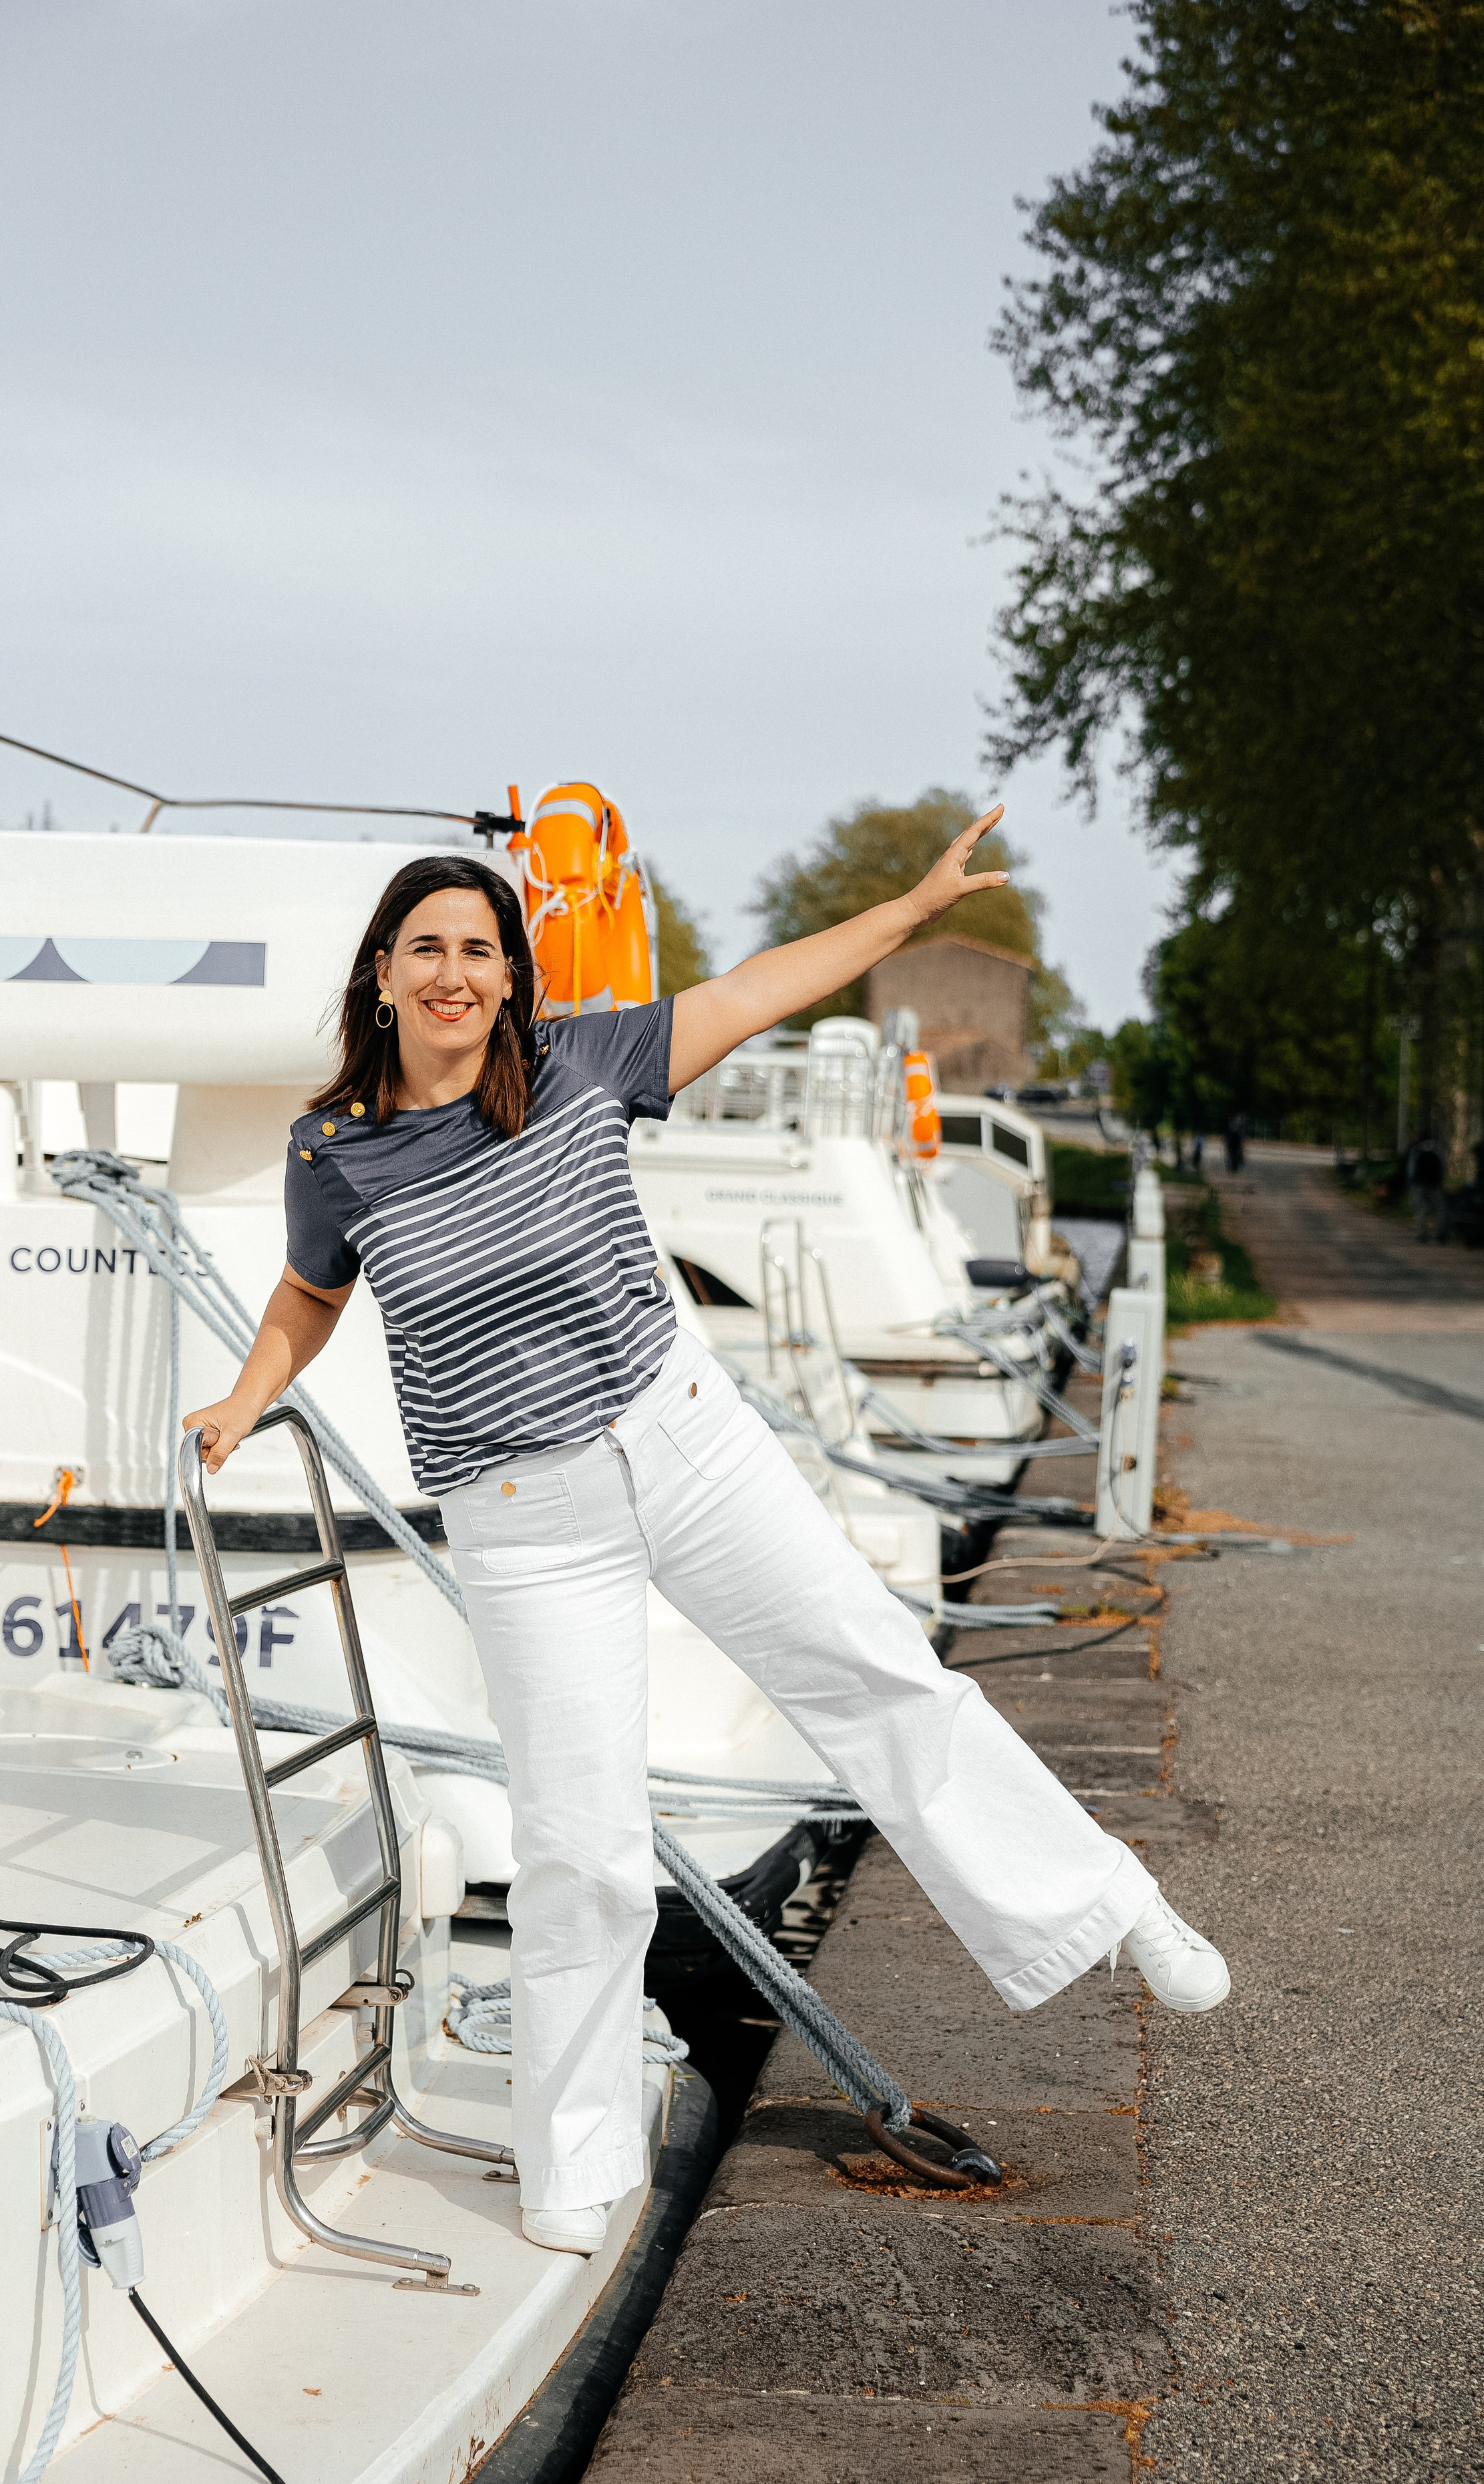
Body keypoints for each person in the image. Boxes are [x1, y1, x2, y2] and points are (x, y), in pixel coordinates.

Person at [186, 810, 1231, 2258]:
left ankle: (1111, 1904)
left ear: (509, 979)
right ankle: (572, 2164)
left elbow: (762, 987)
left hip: (680, 1443)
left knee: (879, 1678)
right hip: (515, 1512)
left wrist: (913, 911)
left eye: (478, 950)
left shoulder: (578, 1065)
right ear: (379, 975)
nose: (452, 972)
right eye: (424, 947)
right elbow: (313, 1292)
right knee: (579, 1845)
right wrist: (246, 1398)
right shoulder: (335, 1149)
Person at [1408, 1134, 1447, 1242]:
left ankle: (1423, 1234)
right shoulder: (1437, 1148)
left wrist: (1411, 1183)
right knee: (1439, 1209)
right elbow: (1443, 1166)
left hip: (1418, 1183)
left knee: (1420, 1209)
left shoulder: (1417, 1149)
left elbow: (1411, 1168)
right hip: (1434, 1184)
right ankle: (1440, 1234)